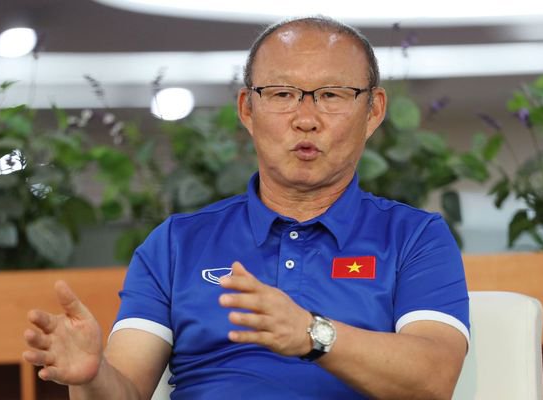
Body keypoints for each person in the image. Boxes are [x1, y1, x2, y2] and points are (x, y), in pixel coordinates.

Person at [23, 16, 470, 399]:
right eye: (281, 94)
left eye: (332, 95)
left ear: (373, 111)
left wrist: (311, 334)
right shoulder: (176, 243)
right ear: (247, 110)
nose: (306, 118)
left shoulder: (415, 237)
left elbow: (434, 379)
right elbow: (124, 391)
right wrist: (91, 377)